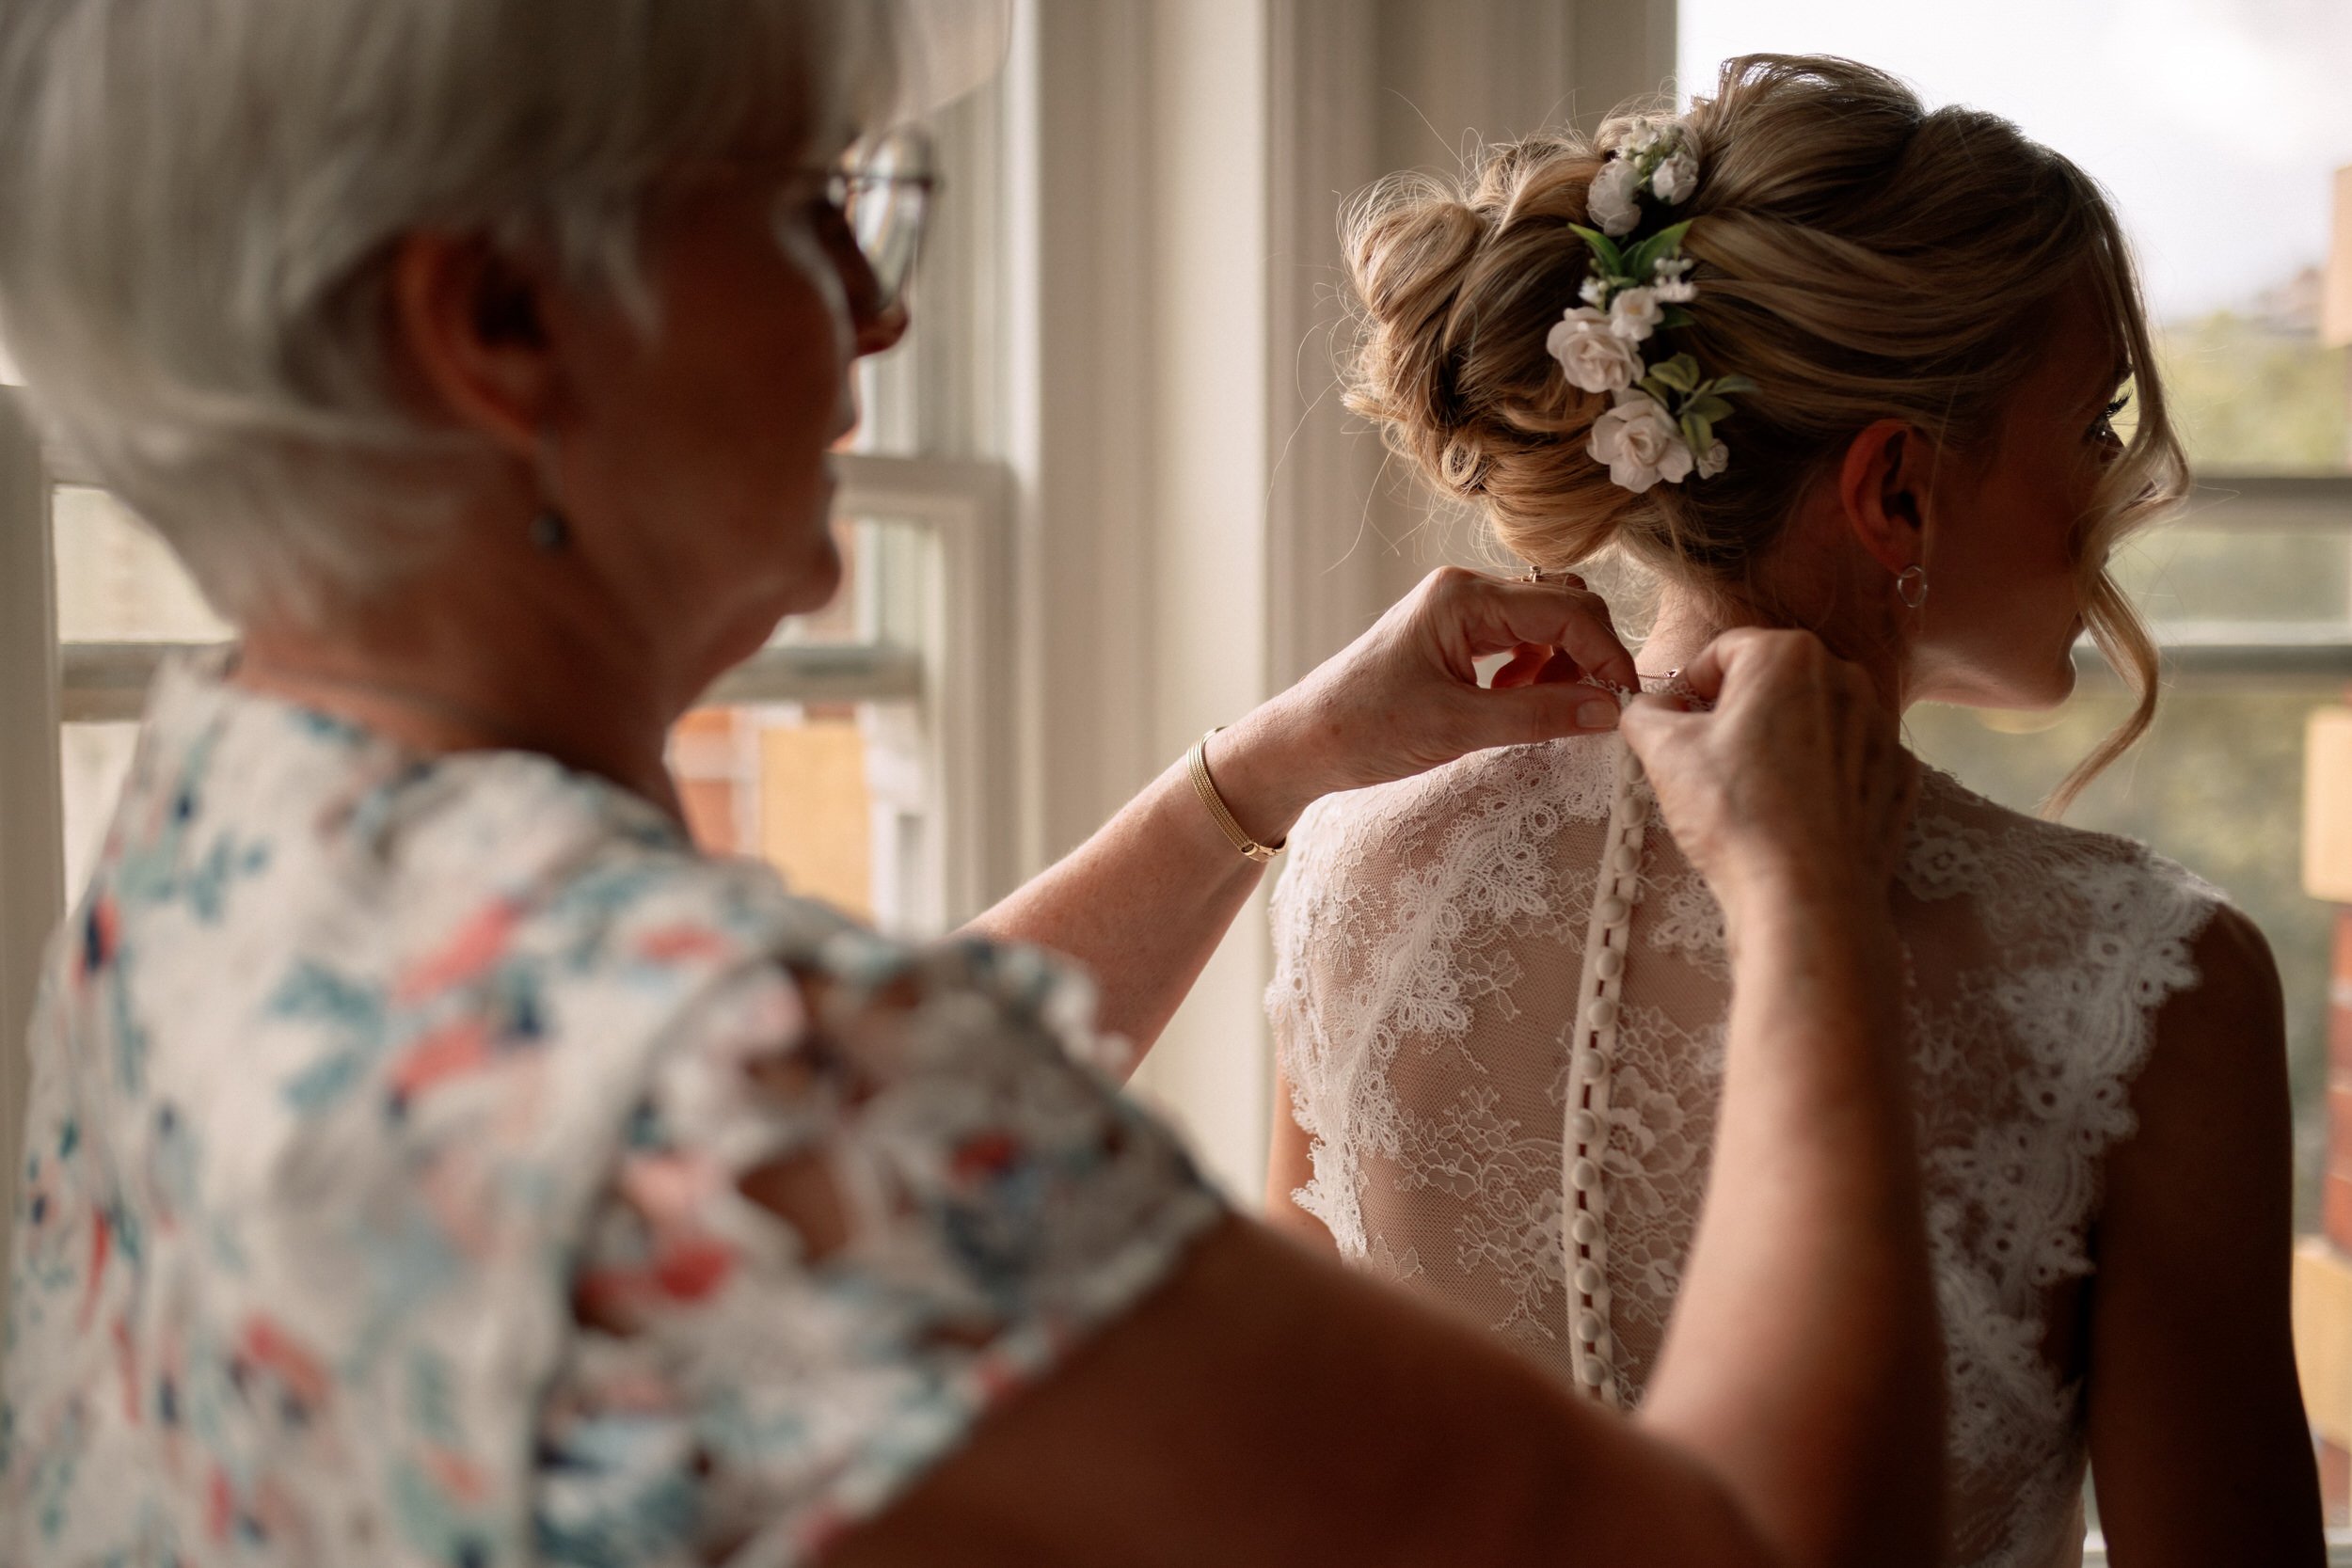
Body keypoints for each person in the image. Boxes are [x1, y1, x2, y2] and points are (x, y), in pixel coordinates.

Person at [1, 6, 1933, 1564]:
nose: (878, 308)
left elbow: (789, 1188)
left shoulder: (214, 828)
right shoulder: (758, 1073)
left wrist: (1253, 783)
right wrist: (1803, 902)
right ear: (498, 324)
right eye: (801, 210)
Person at [1267, 53, 2323, 1568]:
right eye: (2091, 426)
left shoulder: (1352, 862)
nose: (2136, 484)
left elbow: (1300, 1485)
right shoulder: (2149, 979)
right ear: (1896, 492)